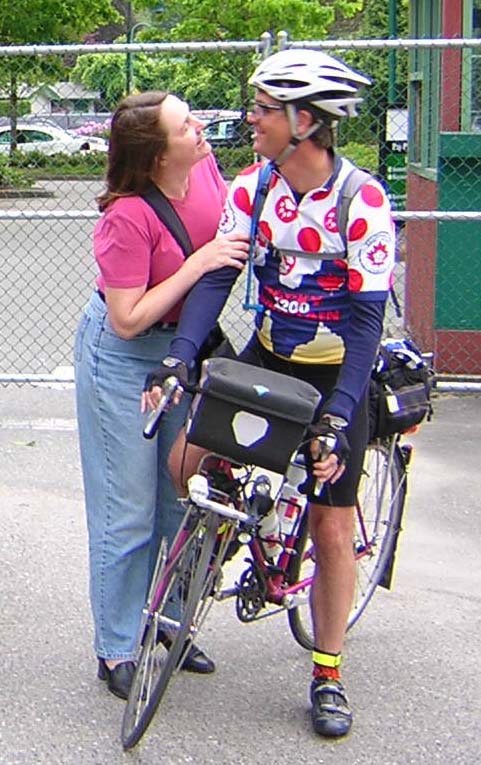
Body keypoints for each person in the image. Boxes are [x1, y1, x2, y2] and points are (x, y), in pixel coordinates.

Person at [143, 49, 395, 737]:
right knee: (186, 462)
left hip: (336, 373)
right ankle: (227, 536)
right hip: (269, 355)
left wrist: (339, 415)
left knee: (331, 526)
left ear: (304, 121)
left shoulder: (362, 201)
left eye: (263, 109)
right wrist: (179, 358)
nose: (250, 118)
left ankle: (327, 672)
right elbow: (219, 278)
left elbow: (367, 322)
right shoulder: (253, 188)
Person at [74, 90, 249, 700]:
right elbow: (126, 319)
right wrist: (197, 264)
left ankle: (169, 622)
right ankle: (117, 646)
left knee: (181, 496)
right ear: (156, 157)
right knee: (127, 509)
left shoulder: (206, 170)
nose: (200, 128)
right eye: (185, 126)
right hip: (124, 358)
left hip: (182, 352)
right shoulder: (126, 217)